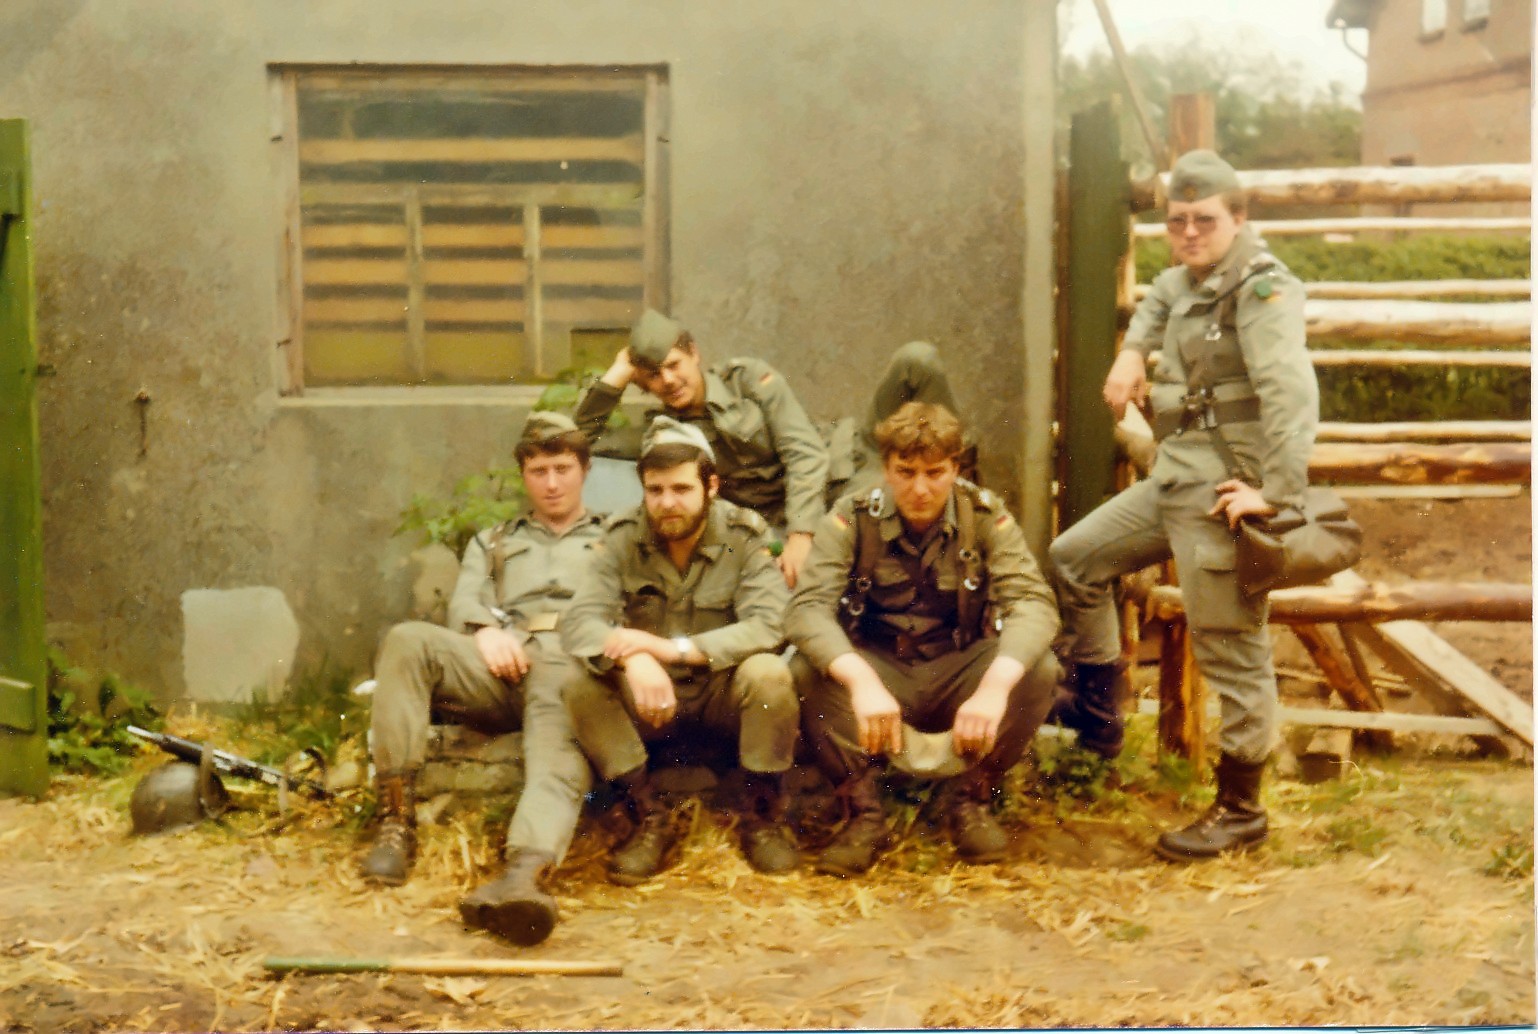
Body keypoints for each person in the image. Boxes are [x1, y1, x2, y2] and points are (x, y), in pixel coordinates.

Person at [1047, 148, 1316, 862]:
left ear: (1239, 218)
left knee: (1232, 648)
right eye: (1177, 221)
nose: (1189, 232)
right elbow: (1160, 297)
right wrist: (1130, 352)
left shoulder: (1261, 290)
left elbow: (1292, 396)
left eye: (1204, 219)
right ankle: (1100, 728)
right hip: (1173, 480)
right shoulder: (1187, 279)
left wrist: (1276, 494)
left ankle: (1241, 809)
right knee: (1074, 558)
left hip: (1223, 494)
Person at [786, 401, 1061, 876]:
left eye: (935, 473)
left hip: (958, 667)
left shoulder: (983, 515)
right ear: (886, 468)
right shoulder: (854, 516)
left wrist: (994, 688)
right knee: (804, 670)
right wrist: (859, 680)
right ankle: (863, 810)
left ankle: (969, 798)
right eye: (905, 472)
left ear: (956, 468)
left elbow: (1033, 602)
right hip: (881, 669)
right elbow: (806, 608)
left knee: (1038, 670)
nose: (919, 488)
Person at [362, 412, 604, 946]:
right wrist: (485, 631)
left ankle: (525, 872)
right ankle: (395, 823)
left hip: (573, 669)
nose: (552, 483)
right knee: (407, 639)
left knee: (557, 704)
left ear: (585, 470)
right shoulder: (494, 541)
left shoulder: (616, 538)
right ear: (524, 476)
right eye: (539, 471)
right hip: (501, 667)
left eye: (563, 469)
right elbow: (467, 600)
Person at [560, 417, 800, 884]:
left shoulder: (743, 536)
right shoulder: (623, 536)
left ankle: (760, 816)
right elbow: (579, 621)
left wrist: (673, 649)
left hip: (719, 692)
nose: (667, 503)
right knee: (579, 684)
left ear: (711, 486)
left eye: (681, 489)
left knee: (769, 674)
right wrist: (633, 656)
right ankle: (646, 816)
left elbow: (771, 624)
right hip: (651, 701)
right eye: (655, 490)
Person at [574, 310, 830, 588]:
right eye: (654, 375)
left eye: (674, 365)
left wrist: (802, 533)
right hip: (754, 531)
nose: (668, 380)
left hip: (818, 504)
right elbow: (575, 442)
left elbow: (804, 453)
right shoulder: (664, 431)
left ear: (694, 353)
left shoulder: (745, 381)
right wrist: (617, 374)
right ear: (643, 384)